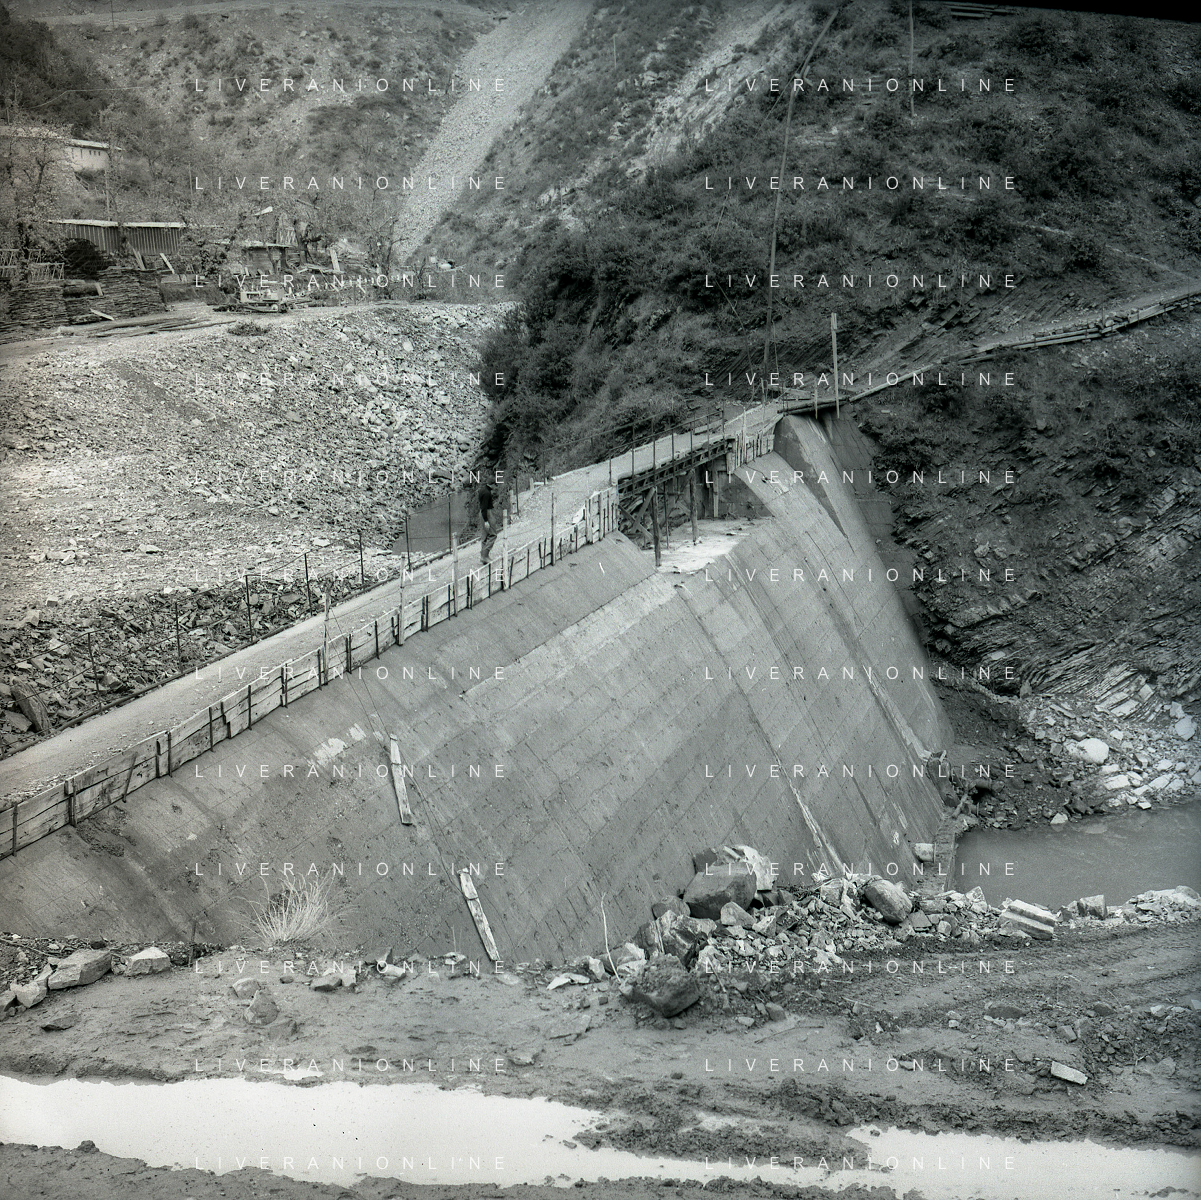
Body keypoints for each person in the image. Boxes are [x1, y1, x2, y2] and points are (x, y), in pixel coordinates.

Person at [478, 478, 498, 564]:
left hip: (482, 513)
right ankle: (484, 556)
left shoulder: (482, 490)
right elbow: (484, 507)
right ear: (492, 485)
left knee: (485, 535)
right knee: (493, 534)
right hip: (487, 513)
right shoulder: (487, 493)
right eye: (495, 485)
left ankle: (483, 557)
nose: (495, 487)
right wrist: (486, 520)